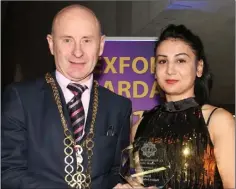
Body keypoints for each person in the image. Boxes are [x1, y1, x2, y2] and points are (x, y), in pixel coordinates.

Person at [2, 4, 132, 189]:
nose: (77, 52)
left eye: (87, 40)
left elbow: (116, 173)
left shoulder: (119, 106)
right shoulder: (20, 99)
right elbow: (7, 172)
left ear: (101, 45)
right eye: (67, 40)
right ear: (51, 44)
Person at [115, 24, 235, 189]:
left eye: (180, 60)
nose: (170, 70)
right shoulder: (140, 126)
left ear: (199, 68)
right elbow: (140, 181)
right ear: (155, 69)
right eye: (163, 61)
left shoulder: (218, 121)